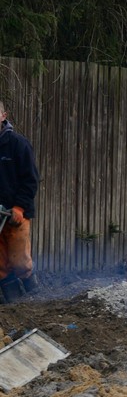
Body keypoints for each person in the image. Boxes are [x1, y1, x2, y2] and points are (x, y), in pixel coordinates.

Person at [0, 100, 40, 302]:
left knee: (20, 262)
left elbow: (30, 179)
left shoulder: (18, 144)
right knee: (1, 266)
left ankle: (37, 300)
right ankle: (14, 308)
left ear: (3, 116)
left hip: (15, 212)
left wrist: (19, 206)